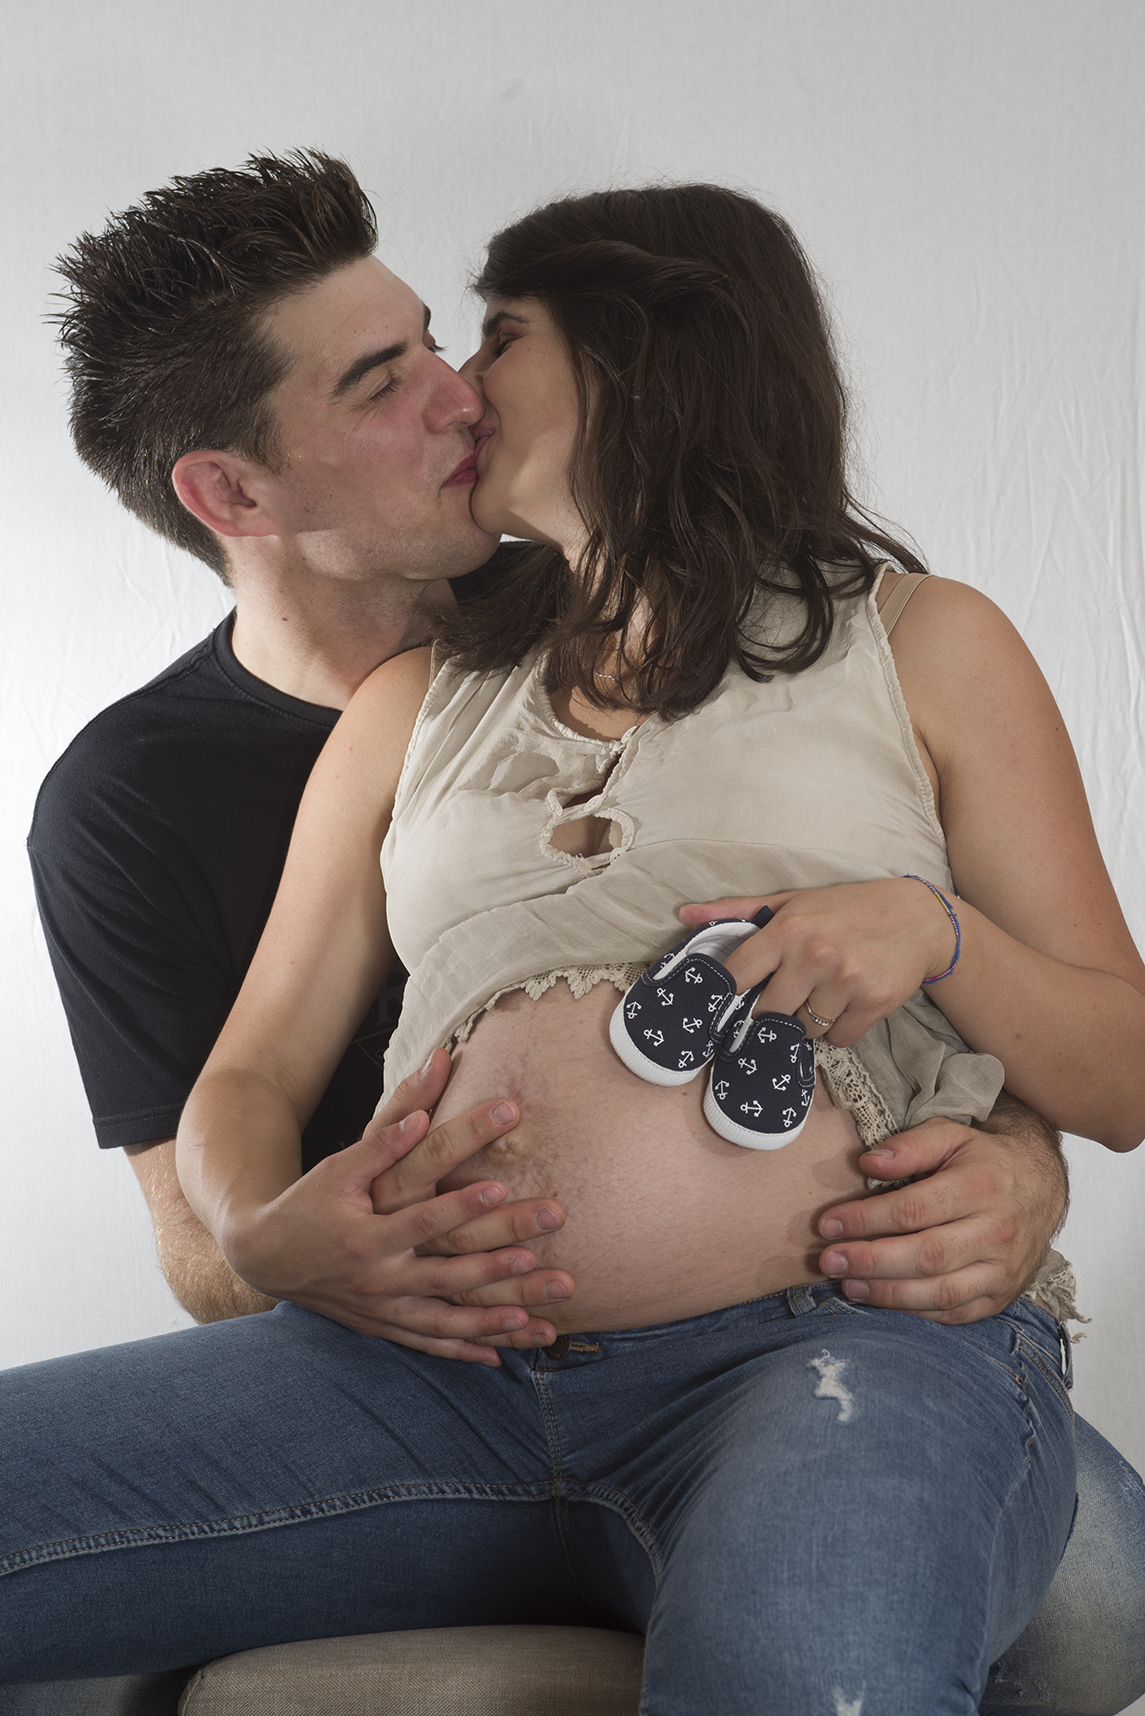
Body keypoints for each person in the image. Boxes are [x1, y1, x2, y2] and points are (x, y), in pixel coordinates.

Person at [4, 157, 1140, 1710]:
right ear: (232, 491)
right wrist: (269, 1230)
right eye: (397, 372)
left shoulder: (917, 641)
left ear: (645, 362)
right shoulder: (365, 723)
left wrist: (955, 984)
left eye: (478, 335)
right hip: (430, 1382)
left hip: (815, 1348)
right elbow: (244, 1081)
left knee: (841, 1657)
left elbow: (1120, 1067)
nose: (460, 391)